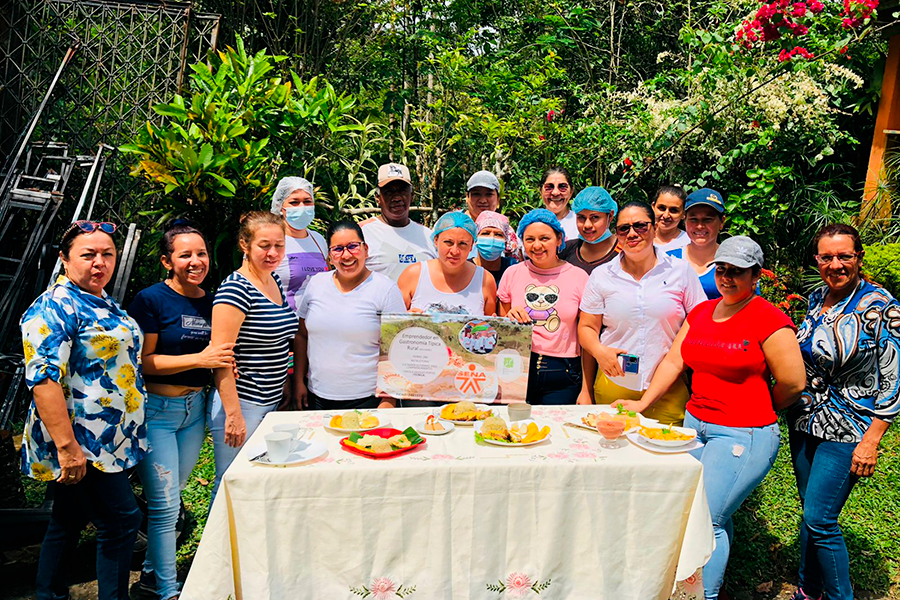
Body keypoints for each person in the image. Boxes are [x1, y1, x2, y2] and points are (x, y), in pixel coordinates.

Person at [614, 236, 806, 600]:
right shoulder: (703, 312)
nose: (728, 277)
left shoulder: (769, 319)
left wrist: (756, 407)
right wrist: (642, 403)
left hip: (743, 434)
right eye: (722, 269)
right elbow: (674, 360)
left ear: (755, 275)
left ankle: (705, 595)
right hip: (695, 426)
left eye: (738, 271)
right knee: (712, 513)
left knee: (705, 518)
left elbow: (793, 382)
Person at [20, 221, 145, 600]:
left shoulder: (99, 298)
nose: (99, 263)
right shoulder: (54, 306)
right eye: (88, 255)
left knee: (68, 519)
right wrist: (67, 447)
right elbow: (43, 380)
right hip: (82, 443)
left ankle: (50, 595)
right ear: (64, 259)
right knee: (122, 522)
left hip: (108, 440)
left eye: (107, 254)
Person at [788, 224, 899, 600]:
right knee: (809, 512)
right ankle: (809, 588)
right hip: (805, 421)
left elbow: (894, 378)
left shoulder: (882, 307)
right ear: (817, 260)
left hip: (850, 428)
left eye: (844, 256)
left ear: (858, 258)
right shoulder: (816, 298)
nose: (835, 264)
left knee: (820, 518)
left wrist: (873, 440)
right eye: (827, 257)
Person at [128, 218, 235, 600]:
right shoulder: (151, 299)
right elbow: (144, 361)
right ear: (166, 261)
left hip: (194, 411)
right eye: (185, 254)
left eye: (201, 253)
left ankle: (151, 577)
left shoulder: (212, 300)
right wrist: (202, 356)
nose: (196, 260)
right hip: (158, 411)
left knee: (175, 496)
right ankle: (169, 592)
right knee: (165, 504)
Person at [578, 201, 706, 425]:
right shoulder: (601, 275)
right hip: (614, 383)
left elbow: (698, 322)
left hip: (668, 387)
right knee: (614, 454)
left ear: (654, 228)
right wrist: (599, 351)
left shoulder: (680, 271)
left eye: (640, 226)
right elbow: (587, 327)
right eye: (623, 228)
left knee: (666, 455)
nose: (632, 233)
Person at [208, 212, 299, 502]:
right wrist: (233, 415)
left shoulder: (274, 282)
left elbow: (278, 342)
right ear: (244, 245)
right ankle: (216, 547)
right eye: (264, 246)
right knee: (232, 483)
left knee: (260, 482)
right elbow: (221, 357)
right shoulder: (236, 289)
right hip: (242, 403)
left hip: (269, 400)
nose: (273, 253)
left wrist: (284, 381)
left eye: (279, 245)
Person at [295, 220, 407, 410]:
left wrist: (389, 399)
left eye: (353, 246)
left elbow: (399, 347)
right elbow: (302, 335)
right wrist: (298, 381)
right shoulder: (316, 284)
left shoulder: (385, 289)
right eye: (338, 249)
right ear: (330, 256)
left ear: (366, 249)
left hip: (369, 399)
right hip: (318, 397)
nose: (346, 255)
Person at [499, 208, 590, 404]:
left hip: (563, 373)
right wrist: (509, 316)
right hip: (517, 368)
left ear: (559, 239)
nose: (537, 245)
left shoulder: (579, 277)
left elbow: (587, 334)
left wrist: (586, 389)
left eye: (544, 238)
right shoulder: (512, 273)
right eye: (530, 239)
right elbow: (501, 326)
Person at [398, 211, 497, 316]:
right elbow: (392, 323)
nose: (454, 251)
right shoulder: (413, 275)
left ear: (472, 246)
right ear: (436, 241)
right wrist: (405, 317)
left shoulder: (485, 280)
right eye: (448, 242)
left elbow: (488, 327)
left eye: (463, 244)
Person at [360, 162, 436, 281]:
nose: (397, 198)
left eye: (402, 191)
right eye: (389, 192)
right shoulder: (362, 233)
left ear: (412, 195)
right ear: (377, 197)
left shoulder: (428, 236)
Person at [269, 176, 329, 313]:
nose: (302, 207)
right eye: (294, 202)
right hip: (283, 327)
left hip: (316, 327)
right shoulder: (270, 240)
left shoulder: (318, 240)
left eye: (307, 201)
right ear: (280, 207)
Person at [667, 188, 727, 299]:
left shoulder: (734, 262)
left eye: (707, 219)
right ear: (684, 220)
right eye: (693, 219)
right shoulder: (667, 259)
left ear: (722, 221)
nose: (700, 226)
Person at [559, 186, 620, 275]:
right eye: (581, 217)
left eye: (595, 217)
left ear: (610, 216)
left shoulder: (624, 254)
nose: (587, 225)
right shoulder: (566, 250)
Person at [471, 210, 517, 284]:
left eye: (498, 235)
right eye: (485, 233)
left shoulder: (512, 268)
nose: (492, 238)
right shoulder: (465, 268)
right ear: (476, 238)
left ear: (505, 240)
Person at [539, 166, 579, 241]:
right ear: (541, 191)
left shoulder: (581, 223)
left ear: (571, 192)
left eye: (562, 187)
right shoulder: (530, 223)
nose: (555, 193)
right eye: (549, 187)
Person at [651, 185, 690, 252]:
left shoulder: (690, 243)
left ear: (684, 214)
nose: (666, 215)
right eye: (662, 208)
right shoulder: (640, 238)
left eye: (673, 210)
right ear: (653, 207)